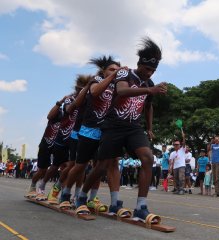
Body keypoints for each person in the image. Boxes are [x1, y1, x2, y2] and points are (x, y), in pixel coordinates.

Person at [75, 37, 167, 221]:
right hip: (113, 126)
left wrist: (149, 127)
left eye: (153, 70)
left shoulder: (149, 84)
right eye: (147, 69)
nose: (150, 73)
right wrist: (150, 90)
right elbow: (123, 91)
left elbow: (149, 106)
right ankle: (82, 195)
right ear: (139, 64)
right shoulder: (125, 75)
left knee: (147, 158)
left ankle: (141, 206)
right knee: (103, 166)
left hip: (133, 127)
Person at [59, 56, 121, 211]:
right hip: (89, 130)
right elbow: (94, 93)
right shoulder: (96, 80)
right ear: (104, 71)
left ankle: (92, 198)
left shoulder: (118, 85)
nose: (115, 72)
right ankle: (65, 194)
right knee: (80, 165)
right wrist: (113, 76)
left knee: (101, 166)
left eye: (117, 70)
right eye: (112, 70)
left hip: (106, 131)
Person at [36, 75, 91, 202]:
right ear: (77, 88)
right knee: (56, 166)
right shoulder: (70, 99)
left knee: (80, 165)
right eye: (81, 89)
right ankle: (44, 185)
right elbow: (67, 109)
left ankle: (76, 193)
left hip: (80, 135)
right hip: (63, 137)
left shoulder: (90, 99)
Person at [25, 95, 66, 197]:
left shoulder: (72, 114)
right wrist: (59, 102)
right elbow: (49, 116)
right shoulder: (59, 112)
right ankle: (33, 185)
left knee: (65, 167)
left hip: (60, 144)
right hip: (46, 144)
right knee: (42, 170)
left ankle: (63, 193)